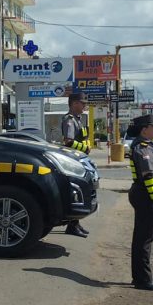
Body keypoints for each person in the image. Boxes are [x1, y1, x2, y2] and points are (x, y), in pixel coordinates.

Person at [127, 114, 153, 291]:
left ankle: (140, 277)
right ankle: (144, 280)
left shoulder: (145, 145)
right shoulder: (143, 148)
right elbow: (148, 177)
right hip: (145, 195)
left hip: (143, 194)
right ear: (144, 129)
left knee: (141, 238)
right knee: (144, 240)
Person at [60, 92, 91, 238]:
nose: (84, 105)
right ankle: (72, 226)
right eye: (82, 103)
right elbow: (68, 141)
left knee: (82, 192)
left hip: (80, 159)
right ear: (74, 104)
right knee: (76, 193)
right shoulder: (69, 120)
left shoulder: (78, 119)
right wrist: (86, 148)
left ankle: (75, 224)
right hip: (72, 160)